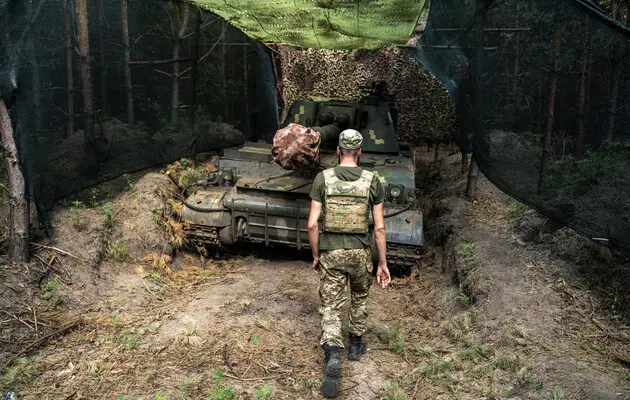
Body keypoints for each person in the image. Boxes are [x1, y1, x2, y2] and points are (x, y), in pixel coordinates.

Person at [307, 128, 391, 398]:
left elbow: (312, 223)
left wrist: (317, 255)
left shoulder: (323, 178)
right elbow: (379, 228)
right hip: (360, 252)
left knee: (331, 304)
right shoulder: (372, 180)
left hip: (331, 252)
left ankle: (332, 353)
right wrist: (382, 263)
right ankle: (355, 345)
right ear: (360, 153)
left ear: (338, 152)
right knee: (359, 297)